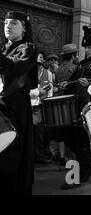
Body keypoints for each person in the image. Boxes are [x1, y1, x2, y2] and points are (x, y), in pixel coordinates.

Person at [59, 26, 91, 189]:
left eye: (90, 47)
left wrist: (90, 84)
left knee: (81, 142)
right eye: (86, 47)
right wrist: (64, 85)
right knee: (72, 140)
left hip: (90, 108)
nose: (88, 50)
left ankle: (78, 176)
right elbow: (72, 84)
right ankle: (87, 165)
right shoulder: (81, 64)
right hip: (75, 106)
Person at [0, 11, 38, 195]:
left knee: (13, 155)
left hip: (15, 108)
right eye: (6, 22)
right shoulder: (3, 48)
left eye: (14, 23)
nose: (7, 25)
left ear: (24, 28)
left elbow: (14, 68)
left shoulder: (28, 48)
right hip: (1, 108)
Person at [49, 43, 79, 165]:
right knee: (71, 131)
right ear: (73, 55)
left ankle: (62, 155)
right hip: (71, 103)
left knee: (61, 131)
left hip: (59, 103)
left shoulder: (59, 69)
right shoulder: (74, 68)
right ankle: (71, 158)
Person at [29, 51, 53, 164]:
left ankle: (40, 154)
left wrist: (48, 100)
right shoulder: (27, 71)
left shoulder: (47, 73)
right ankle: (35, 156)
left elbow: (50, 89)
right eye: (38, 56)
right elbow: (24, 91)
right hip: (30, 106)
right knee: (33, 133)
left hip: (42, 106)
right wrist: (39, 92)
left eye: (42, 57)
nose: (41, 58)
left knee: (41, 132)